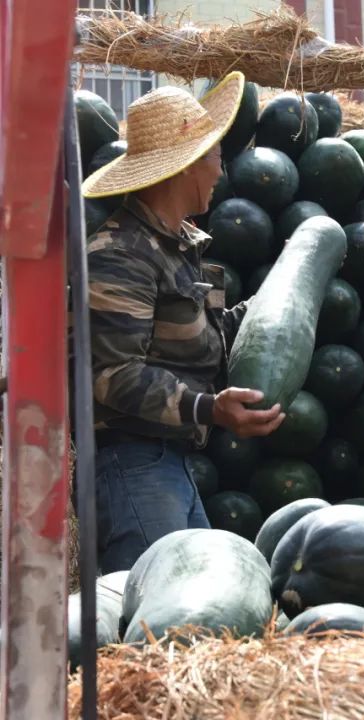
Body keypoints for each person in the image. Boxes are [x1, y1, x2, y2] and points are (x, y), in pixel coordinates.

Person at [82, 72, 286, 573]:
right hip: (132, 466)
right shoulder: (119, 255)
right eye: (216, 156)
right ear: (187, 166)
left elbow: (209, 334)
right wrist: (209, 408)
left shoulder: (175, 247)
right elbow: (112, 375)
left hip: (166, 463)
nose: (221, 171)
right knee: (158, 628)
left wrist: (288, 293)